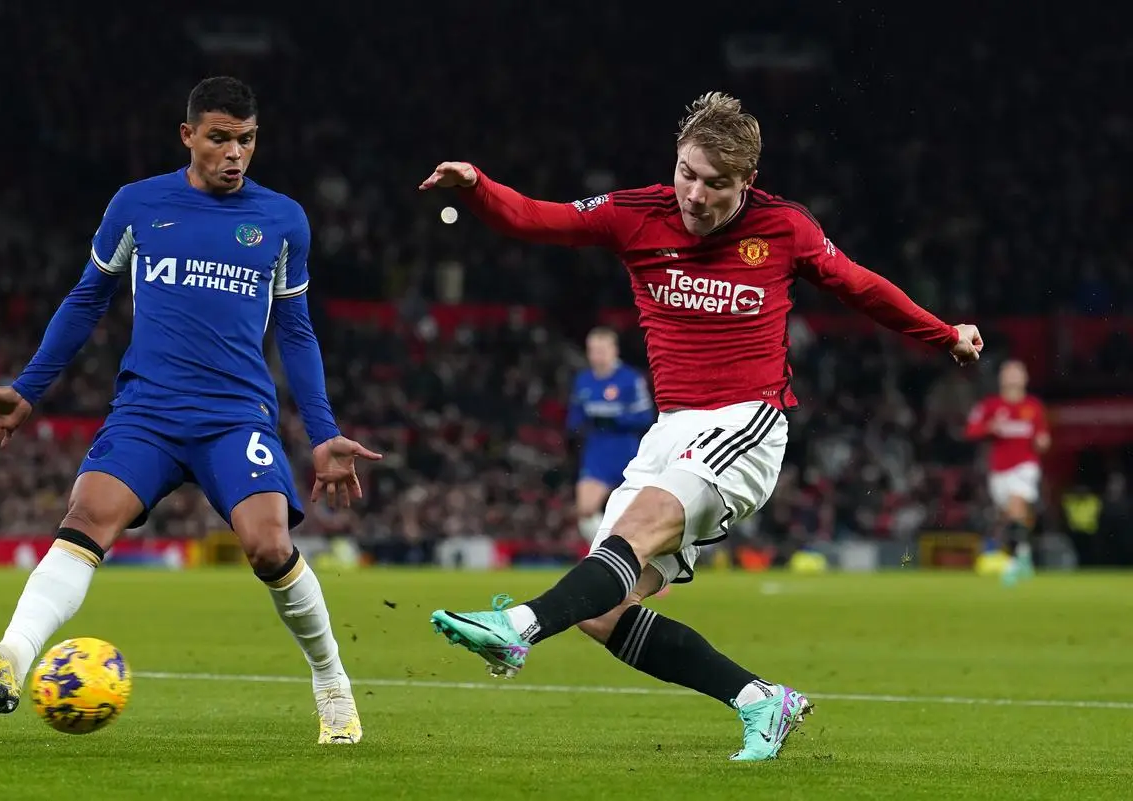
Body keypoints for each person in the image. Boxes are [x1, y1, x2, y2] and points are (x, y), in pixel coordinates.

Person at [420, 92, 982, 761]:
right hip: (672, 431)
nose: (696, 193)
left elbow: (861, 286)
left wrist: (944, 334)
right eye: (687, 173)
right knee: (601, 611)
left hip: (746, 419)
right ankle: (759, 700)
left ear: (747, 181)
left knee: (632, 533)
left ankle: (515, 626)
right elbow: (542, 219)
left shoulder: (785, 228)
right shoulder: (638, 214)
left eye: (716, 183)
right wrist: (478, 185)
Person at [0, 77, 380, 745]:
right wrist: (29, 388)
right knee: (85, 518)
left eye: (247, 139)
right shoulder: (139, 205)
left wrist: (323, 433)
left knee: (267, 545)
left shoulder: (283, 219)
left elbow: (296, 331)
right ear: (189, 135)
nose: (235, 153)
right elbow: (88, 298)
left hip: (235, 415)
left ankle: (331, 681)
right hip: (148, 409)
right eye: (220, 138)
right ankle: (10, 657)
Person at [964, 360, 1050, 585]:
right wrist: (989, 427)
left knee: (1016, 506)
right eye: (1008, 373)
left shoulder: (1034, 407)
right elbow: (970, 430)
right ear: (1001, 379)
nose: (1012, 377)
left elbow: (1043, 438)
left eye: (1017, 372)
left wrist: (1042, 442)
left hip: (1025, 467)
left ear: (1025, 378)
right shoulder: (990, 406)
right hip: (999, 470)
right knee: (1010, 516)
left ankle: (1011, 563)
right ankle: (1023, 555)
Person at [567, 327, 655, 542]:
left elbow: (646, 417)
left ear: (614, 350)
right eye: (592, 350)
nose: (596, 355)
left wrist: (615, 420)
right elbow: (574, 417)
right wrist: (577, 427)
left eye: (601, 350)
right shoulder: (583, 380)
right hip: (597, 452)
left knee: (638, 515)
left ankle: (635, 555)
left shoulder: (630, 379)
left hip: (627, 452)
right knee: (586, 510)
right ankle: (603, 556)